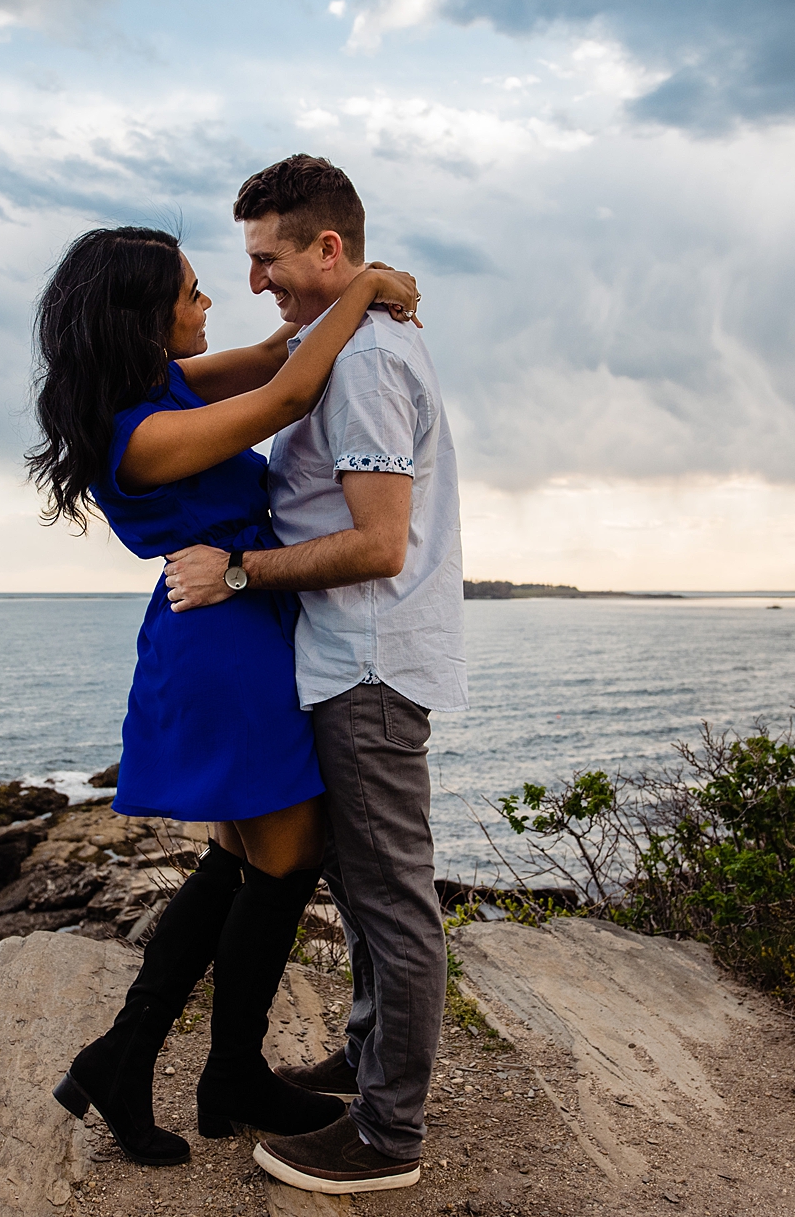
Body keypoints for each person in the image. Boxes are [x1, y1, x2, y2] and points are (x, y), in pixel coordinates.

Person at [26, 225, 422, 1167]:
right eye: (194, 292)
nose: (211, 305)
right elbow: (288, 392)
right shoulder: (146, 433)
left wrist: (348, 297)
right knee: (287, 859)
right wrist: (363, 284)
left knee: (245, 858)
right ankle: (220, 1071)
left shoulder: (159, 385)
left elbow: (276, 354)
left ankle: (130, 1058)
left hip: (226, 633)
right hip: (226, 647)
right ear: (145, 316)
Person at [162, 155, 466, 1196]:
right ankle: (370, 1065)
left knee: (389, 898)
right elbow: (271, 360)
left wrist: (239, 569)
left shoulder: (370, 365)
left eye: (267, 259)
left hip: (369, 663)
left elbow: (380, 545)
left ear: (325, 248)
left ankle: (387, 1138)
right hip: (344, 659)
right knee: (361, 883)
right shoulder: (339, 345)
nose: (255, 281)